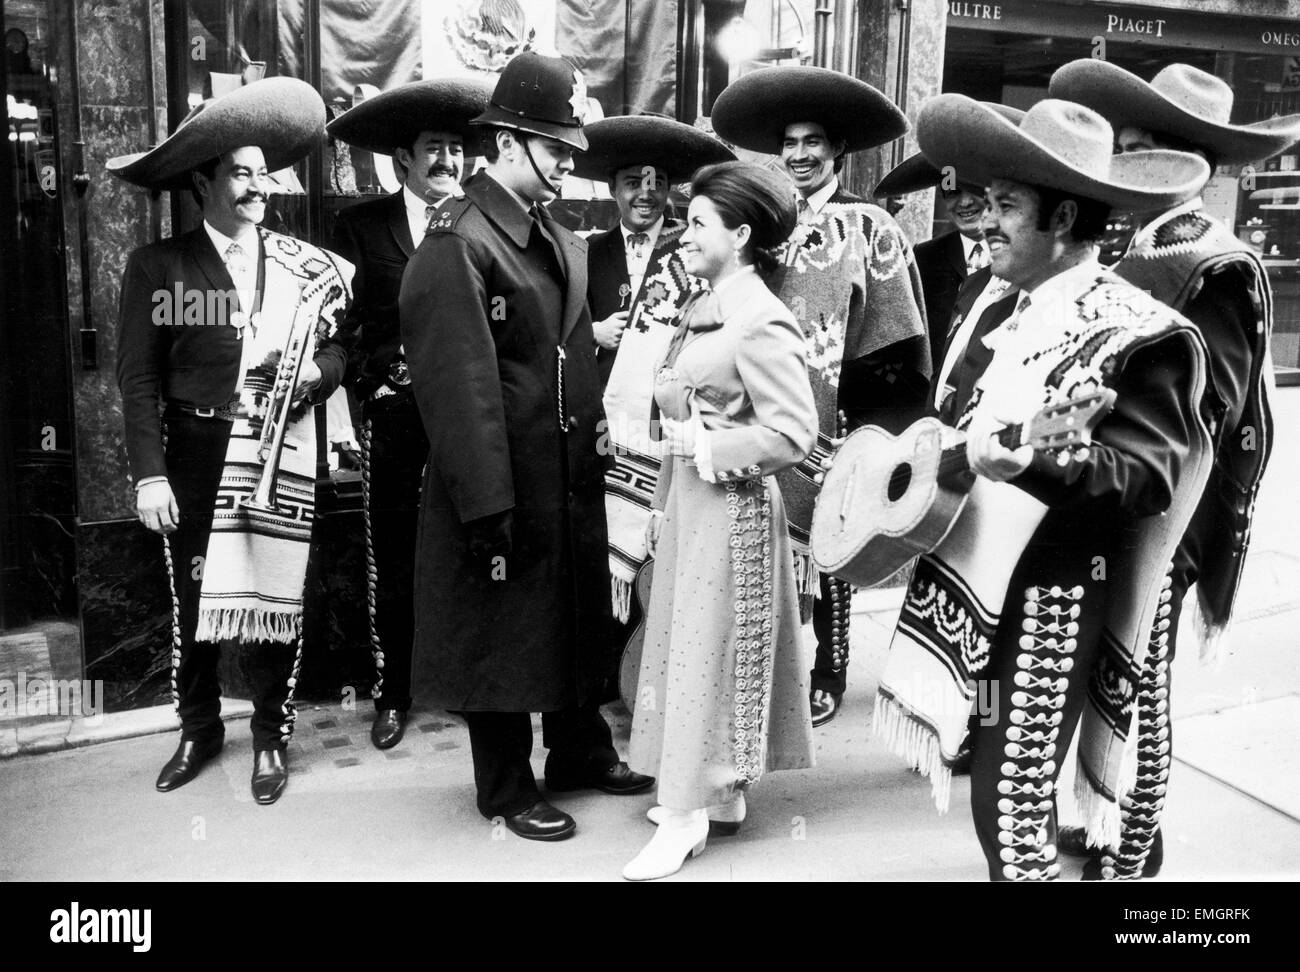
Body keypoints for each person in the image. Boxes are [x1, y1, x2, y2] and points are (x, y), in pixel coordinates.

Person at [873, 95, 1215, 880]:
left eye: (1006, 206)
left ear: (1062, 219)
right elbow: (950, 421)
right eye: (987, 202)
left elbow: (1146, 478)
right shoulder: (988, 303)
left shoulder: (1141, 330)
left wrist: (1032, 462)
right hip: (974, 590)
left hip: (1061, 598)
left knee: (1010, 804)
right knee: (996, 794)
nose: (982, 220)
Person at [1049, 59, 1300, 879]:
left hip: (1171, 506)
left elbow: (1213, 410)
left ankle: (1135, 838)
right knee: (1106, 665)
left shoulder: (1212, 262)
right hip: (1117, 485)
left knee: (1140, 678)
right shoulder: (1141, 245)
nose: (1121, 160)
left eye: (1138, 145)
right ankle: (1099, 815)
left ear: (1184, 157)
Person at [398, 52, 652, 843]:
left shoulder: (545, 229)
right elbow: (459, 390)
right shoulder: (459, 241)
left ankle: (580, 749)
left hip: (567, 472)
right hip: (503, 480)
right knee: (500, 634)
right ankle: (505, 787)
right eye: (556, 149)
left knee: (569, 617)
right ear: (507, 141)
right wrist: (488, 506)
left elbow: (570, 351)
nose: (569, 163)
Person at [110, 78, 352, 805]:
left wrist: (320, 371)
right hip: (194, 453)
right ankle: (199, 726)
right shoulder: (161, 267)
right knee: (195, 602)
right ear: (203, 181)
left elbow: (346, 354)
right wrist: (150, 476)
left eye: (262, 172)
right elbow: (139, 380)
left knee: (276, 595)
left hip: (281, 449)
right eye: (240, 172)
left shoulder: (306, 266)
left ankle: (272, 733)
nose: (258, 186)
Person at [711, 66, 931, 728]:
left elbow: (895, 335)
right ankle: (760, 667)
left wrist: (862, 427)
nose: (800, 154)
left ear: (838, 150)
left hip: (836, 414)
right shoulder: (761, 223)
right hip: (760, 411)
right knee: (756, 544)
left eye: (814, 142)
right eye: (791, 142)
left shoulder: (868, 227)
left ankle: (829, 669)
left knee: (829, 551)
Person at [624, 161, 816, 881]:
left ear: (739, 235)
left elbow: (795, 433)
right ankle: (719, 796)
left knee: (708, 653)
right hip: (691, 510)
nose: (685, 232)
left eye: (699, 221)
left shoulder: (762, 318)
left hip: (734, 514)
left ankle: (682, 816)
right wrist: (658, 501)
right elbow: (681, 415)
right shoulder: (706, 307)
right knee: (682, 646)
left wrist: (706, 450)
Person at [326, 76, 493, 750]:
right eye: (433, 148)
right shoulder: (362, 227)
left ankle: (460, 684)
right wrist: (378, 376)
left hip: (474, 424)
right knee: (392, 558)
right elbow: (345, 325)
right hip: (397, 421)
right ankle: (391, 693)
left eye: (456, 147)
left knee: (470, 552)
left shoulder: (483, 223)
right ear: (403, 160)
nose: (447, 160)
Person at [573, 114, 733, 653]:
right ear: (611, 189)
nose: (646, 193)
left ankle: (655, 662)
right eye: (632, 182)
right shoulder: (584, 253)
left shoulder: (692, 250)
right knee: (602, 536)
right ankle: (607, 661)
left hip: (674, 420)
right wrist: (592, 333)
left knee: (667, 540)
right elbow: (553, 332)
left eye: (657, 182)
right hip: (603, 422)